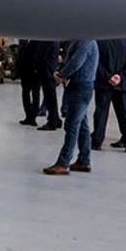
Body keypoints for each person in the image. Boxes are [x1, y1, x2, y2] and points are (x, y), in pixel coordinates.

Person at [43, 38, 99, 175]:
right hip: (76, 85)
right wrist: (60, 71)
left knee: (72, 125)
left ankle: (63, 163)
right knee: (82, 126)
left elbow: (76, 61)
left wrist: (62, 74)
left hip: (82, 87)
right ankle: (84, 161)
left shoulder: (87, 41)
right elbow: (69, 59)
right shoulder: (78, 39)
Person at [90, 38, 126, 153]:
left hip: (104, 85)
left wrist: (108, 77)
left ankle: (97, 142)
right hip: (124, 85)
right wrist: (121, 76)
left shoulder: (101, 42)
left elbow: (97, 62)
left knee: (101, 113)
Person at [35, 40, 63, 131]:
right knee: (51, 97)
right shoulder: (54, 40)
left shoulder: (48, 41)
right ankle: (56, 119)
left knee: (50, 98)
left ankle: (52, 121)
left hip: (47, 71)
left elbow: (43, 55)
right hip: (50, 70)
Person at [17, 39, 41, 126]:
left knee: (35, 94)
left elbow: (40, 55)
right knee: (25, 93)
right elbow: (20, 55)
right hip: (25, 71)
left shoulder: (38, 40)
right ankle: (27, 115)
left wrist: (37, 68)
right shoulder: (23, 40)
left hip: (35, 72)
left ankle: (33, 116)